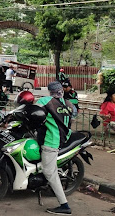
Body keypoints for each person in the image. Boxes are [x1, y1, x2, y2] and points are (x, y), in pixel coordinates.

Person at [36, 81, 74, 215]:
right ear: (61, 90)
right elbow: (72, 117)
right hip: (64, 138)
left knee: (49, 172)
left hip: (51, 141)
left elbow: (33, 111)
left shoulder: (46, 101)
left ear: (49, 91)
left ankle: (64, 205)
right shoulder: (69, 104)